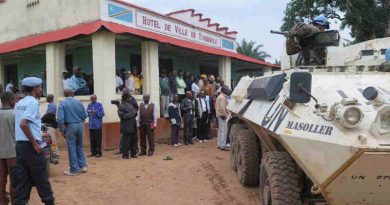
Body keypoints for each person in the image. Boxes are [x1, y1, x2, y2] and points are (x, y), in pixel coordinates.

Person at [13, 77, 55, 205]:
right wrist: (35, 143)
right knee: (41, 177)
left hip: (20, 145)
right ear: (35, 88)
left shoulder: (19, 103)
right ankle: (49, 202)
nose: (41, 90)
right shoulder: (32, 102)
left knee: (23, 180)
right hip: (31, 146)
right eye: (40, 87)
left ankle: (20, 202)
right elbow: (23, 124)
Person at [57, 89, 88, 176]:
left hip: (70, 126)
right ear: (72, 94)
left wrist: (61, 129)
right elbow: (85, 115)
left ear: (64, 95)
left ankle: (74, 169)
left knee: (71, 147)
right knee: (79, 146)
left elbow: (60, 119)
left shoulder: (62, 103)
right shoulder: (78, 102)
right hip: (80, 125)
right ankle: (83, 166)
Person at [0, 92, 16, 204]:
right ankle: (15, 201)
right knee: (14, 180)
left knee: (1, 180)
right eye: (14, 100)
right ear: (11, 100)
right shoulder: (15, 114)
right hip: (13, 152)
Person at [118, 93, 138, 159]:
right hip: (126, 127)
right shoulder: (121, 106)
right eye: (129, 97)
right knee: (126, 142)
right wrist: (131, 114)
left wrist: (134, 113)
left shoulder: (131, 104)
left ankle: (133, 153)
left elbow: (135, 112)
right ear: (126, 98)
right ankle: (125, 154)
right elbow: (122, 115)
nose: (130, 98)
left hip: (133, 125)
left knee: (133, 140)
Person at [215, 86, 230, 151]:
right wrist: (226, 115)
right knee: (224, 131)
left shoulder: (219, 96)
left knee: (220, 130)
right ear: (224, 90)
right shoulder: (223, 98)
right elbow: (222, 108)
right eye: (227, 90)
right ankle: (223, 145)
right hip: (223, 115)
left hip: (219, 115)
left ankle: (219, 144)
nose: (228, 91)